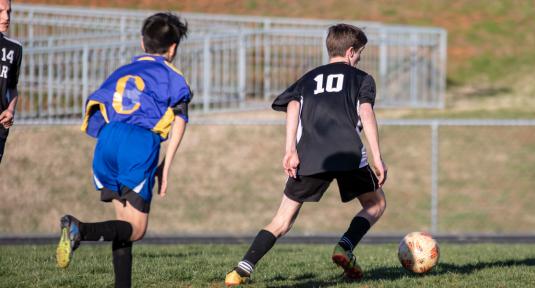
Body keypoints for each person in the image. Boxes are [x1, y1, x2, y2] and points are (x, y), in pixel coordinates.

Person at [225, 23, 387, 286]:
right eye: (360, 53)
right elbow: (366, 112)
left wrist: (290, 149)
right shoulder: (362, 79)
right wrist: (377, 156)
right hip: (347, 153)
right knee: (376, 204)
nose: (359, 59)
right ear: (350, 52)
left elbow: (292, 105)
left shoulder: (308, 79)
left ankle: (240, 270)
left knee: (282, 220)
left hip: (310, 155)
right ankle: (344, 247)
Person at [56, 12, 191, 288]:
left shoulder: (122, 71)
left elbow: (97, 104)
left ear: (143, 43)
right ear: (173, 47)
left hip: (107, 139)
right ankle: (79, 229)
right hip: (138, 142)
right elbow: (180, 120)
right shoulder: (172, 76)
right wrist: (166, 165)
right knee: (137, 229)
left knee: (123, 225)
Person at [0, 0, 23, 164]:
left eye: (9, 12)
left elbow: (12, 87)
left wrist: (10, 109)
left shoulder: (14, 48)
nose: (6, 17)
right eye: (0, 11)